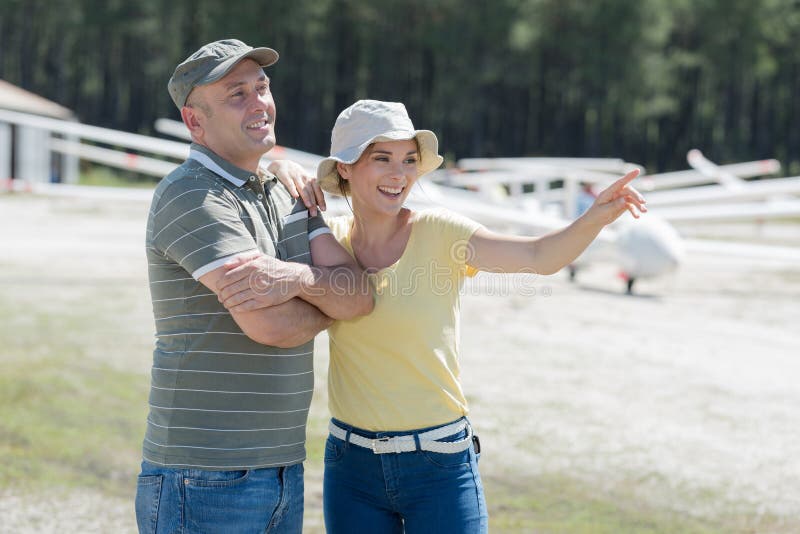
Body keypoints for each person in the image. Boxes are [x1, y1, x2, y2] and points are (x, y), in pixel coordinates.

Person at [218, 100, 646, 533]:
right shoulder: (331, 244)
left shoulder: (440, 232)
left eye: (408, 160)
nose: (399, 174)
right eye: (381, 158)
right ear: (344, 168)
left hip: (440, 464)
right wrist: (284, 171)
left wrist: (595, 218)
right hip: (351, 468)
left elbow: (538, 255)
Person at [134, 40, 373, 534]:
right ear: (195, 123)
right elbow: (275, 325)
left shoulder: (285, 191)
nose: (259, 102)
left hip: (282, 465)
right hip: (202, 474)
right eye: (236, 94)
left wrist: (297, 279)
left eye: (261, 87)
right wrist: (329, 296)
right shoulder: (192, 196)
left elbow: (361, 296)